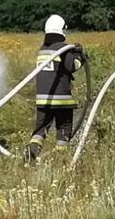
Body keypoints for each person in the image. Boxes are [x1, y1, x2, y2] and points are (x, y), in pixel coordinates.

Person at [28, 14, 86, 160]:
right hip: (61, 98)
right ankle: (61, 158)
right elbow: (72, 66)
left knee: (40, 128)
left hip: (43, 99)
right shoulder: (63, 48)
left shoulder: (42, 49)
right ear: (62, 30)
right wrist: (80, 56)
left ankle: (32, 151)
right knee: (64, 126)